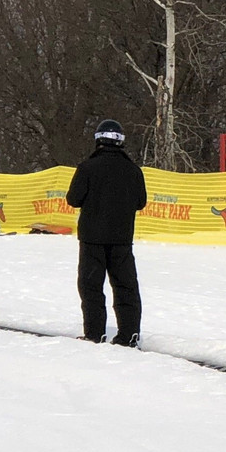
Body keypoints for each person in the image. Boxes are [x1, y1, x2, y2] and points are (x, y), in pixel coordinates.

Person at [66, 119, 147, 346]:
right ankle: (129, 334)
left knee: (91, 286)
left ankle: (94, 333)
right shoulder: (133, 170)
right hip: (122, 238)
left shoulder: (87, 167)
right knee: (126, 286)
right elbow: (140, 202)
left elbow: (73, 199)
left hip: (92, 237)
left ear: (98, 140)